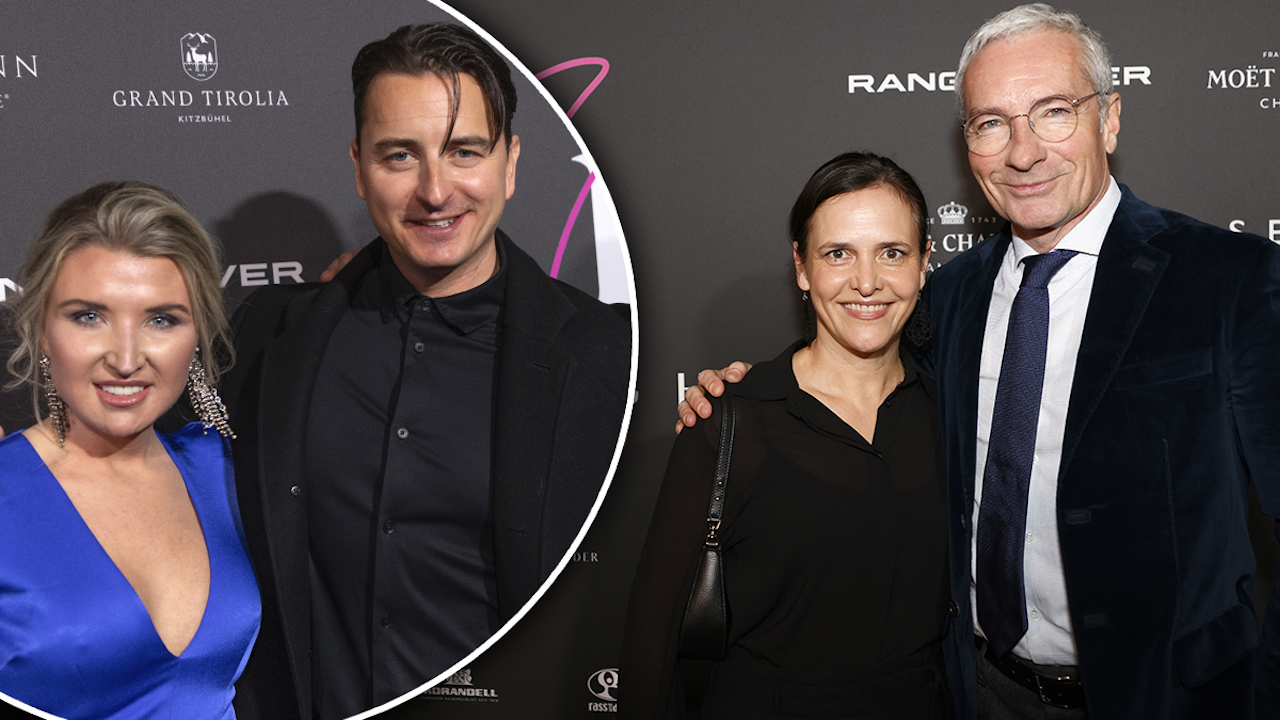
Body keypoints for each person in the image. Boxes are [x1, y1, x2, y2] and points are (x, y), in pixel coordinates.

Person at [679, 4, 1280, 719]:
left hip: (1174, 699)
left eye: (1053, 112)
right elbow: (862, 386)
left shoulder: (1230, 280)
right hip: (978, 692)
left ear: (1109, 119)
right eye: (991, 123)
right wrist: (747, 394)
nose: (1022, 153)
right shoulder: (950, 295)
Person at [223, 22, 632, 720]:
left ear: (509, 163)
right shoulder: (269, 335)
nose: (435, 191)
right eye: (399, 156)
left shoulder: (608, 356)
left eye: (464, 151)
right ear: (359, 167)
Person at [622, 152, 947, 720]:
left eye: (892, 253)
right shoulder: (729, 421)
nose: (866, 282)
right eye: (838, 253)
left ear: (924, 264)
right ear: (801, 267)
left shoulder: (951, 417)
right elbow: (652, 639)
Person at [0, 182, 259, 719]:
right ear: (42, 328)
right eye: (88, 316)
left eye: (161, 319)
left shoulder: (224, 468)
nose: (125, 359)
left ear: (197, 334)